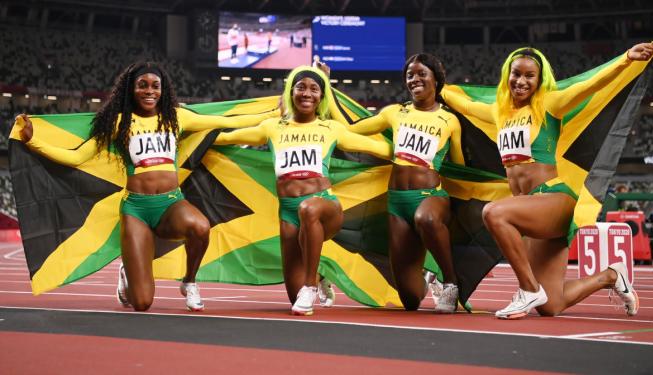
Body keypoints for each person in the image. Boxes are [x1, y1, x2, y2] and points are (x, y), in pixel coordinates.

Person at [15, 62, 278, 312]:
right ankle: (128, 270)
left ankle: (189, 281)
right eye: (143, 84)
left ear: (163, 90)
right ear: (132, 88)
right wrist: (33, 141)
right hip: (136, 209)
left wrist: (278, 112)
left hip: (171, 204)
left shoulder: (177, 117)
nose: (149, 91)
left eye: (155, 85)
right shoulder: (119, 122)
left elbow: (230, 122)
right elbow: (76, 157)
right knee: (141, 303)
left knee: (200, 227)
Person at [441, 42, 653, 319]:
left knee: (494, 213)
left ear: (540, 80)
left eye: (529, 76)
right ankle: (610, 275)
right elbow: (467, 105)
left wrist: (625, 59)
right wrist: (440, 89)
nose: (521, 81)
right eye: (516, 74)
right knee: (551, 306)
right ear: (506, 75)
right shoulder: (499, 112)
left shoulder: (549, 104)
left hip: (553, 198)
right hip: (529, 211)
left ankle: (527, 290)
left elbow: (590, 85)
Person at [215, 66, 393, 316]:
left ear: (321, 96)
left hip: (324, 206)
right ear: (291, 92)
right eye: (301, 87)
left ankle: (309, 286)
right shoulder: (272, 128)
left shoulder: (331, 129)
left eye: (314, 88)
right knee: (292, 295)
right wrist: (199, 137)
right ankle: (318, 275)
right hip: (288, 212)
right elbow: (226, 138)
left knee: (307, 208)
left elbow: (378, 149)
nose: (306, 93)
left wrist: (414, 156)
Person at [319, 54, 465, 313]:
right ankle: (427, 277)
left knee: (427, 220)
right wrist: (327, 85)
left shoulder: (450, 120)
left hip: (431, 196)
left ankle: (451, 282)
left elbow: (460, 166)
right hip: (397, 202)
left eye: (421, 73)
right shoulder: (394, 113)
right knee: (410, 300)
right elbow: (349, 128)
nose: (415, 79)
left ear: (436, 79)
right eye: (410, 75)